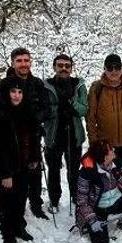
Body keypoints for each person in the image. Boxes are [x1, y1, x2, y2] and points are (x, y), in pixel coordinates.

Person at [0, 78, 39, 243]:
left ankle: (19, 227)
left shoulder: (26, 110)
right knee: (6, 201)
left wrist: (34, 157)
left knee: (20, 198)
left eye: (20, 92)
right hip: (4, 167)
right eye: (13, 91)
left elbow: (33, 136)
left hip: (23, 163)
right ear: (6, 93)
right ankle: (7, 234)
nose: (17, 95)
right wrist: (5, 172)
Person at [0, 48, 51, 220]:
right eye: (19, 61)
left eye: (26, 60)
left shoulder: (37, 84)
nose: (23, 64)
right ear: (13, 63)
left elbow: (47, 108)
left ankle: (36, 204)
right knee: (15, 173)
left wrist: (35, 119)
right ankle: (13, 209)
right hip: (12, 138)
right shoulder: (4, 85)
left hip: (32, 136)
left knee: (35, 172)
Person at [42, 54, 88, 213]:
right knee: (53, 169)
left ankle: (76, 197)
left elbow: (84, 109)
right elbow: (43, 109)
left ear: (71, 68)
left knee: (74, 169)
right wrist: (56, 109)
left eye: (67, 66)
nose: (63, 68)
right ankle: (54, 200)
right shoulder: (46, 85)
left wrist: (72, 105)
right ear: (54, 66)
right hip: (53, 135)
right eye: (60, 65)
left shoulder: (79, 85)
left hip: (73, 134)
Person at [86, 54, 122, 168]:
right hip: (106, 143)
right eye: (109, 68)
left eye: (117, 67)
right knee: (106, 178)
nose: (114, 71)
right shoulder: (97, 88)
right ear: (104, 69)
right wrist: (93, 141)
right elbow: (91, 117)